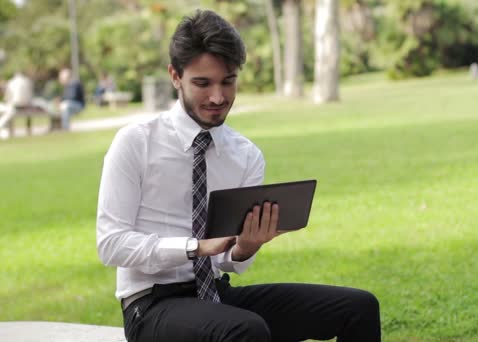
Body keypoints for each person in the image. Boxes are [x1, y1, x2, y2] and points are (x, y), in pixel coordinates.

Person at [96, 9, 381, 342]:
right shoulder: (136, 142)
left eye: (228, 81)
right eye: (202, 83)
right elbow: (111, 243)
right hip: (151, 306)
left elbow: (229, 259)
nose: (218, 97)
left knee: (358, 307)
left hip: (216, 295)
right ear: (175, 76)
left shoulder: (245, 155)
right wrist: (193, 247)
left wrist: (245, 247)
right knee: (246, 330)